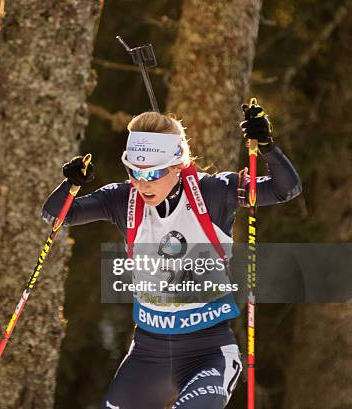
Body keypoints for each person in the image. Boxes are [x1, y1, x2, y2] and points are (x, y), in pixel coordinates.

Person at [41, 104, 301, 409]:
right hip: (148, 355)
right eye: (134, 172)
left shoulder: (213, 193)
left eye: (152, 172)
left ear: (178, 164)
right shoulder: (123, 198)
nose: (143, 183)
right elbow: (57, 214)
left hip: (208, 353)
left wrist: (268, 147)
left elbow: (286, 189)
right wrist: (71, 185)